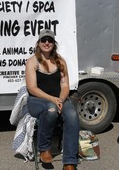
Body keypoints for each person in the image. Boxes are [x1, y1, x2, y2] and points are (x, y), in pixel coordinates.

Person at [25, 29, 79, 170]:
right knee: (51, 109)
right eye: (44, 40)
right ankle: (44, 149)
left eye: (50, 40)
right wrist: (53, 99)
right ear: (38, 43)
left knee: (72, 115)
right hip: (37, 101)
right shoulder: (32, 62)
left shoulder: (60, 61)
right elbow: (32, 88)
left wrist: (60, 99)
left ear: (54, 44)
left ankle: (70, 161)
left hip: (58, 99)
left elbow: (65, 85)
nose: (47, 43)